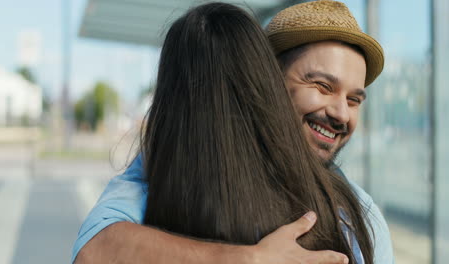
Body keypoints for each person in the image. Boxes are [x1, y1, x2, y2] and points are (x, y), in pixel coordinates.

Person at [73, 1, 394, 264]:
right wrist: (251, 258)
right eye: (323, 87)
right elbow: (95, 250)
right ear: (267, 81)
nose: (341, 113)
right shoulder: (173, 162)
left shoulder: (360, 214)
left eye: (354, 100)